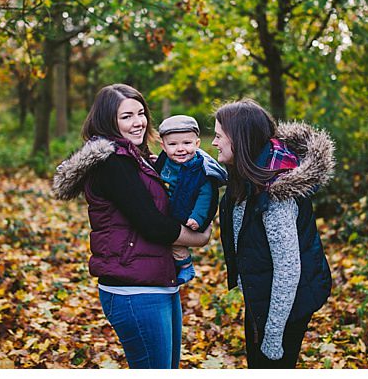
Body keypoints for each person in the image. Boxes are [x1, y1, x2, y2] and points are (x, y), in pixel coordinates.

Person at [52, 84, 212, 369]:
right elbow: (151, 224)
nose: (138, 122)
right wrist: (197, 239)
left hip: (158, 281)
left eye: (140, 113)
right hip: (132, 289)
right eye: (126, 116)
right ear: (108, 120)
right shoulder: (113, 164)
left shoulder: (139, 158)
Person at [211, 99, 334, 369]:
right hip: (263, 295)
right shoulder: (249, 175)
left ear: (240, 140)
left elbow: (288, 271)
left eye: (219, 136)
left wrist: (274, 334)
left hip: (285, 305)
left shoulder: (276, 194)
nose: (214, 142)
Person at [153, 115, 228, 285]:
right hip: (168, 209)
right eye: (173, 144)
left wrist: (197, 217)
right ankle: (175, 266)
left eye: (187, 143)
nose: (180, 149)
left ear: (197, 144)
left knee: (177, 244)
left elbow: (206, 196)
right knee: (167, 242)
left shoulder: (200, 169)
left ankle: (186, 265)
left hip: (186, 213)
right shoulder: (164, 161)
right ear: (163, 147)